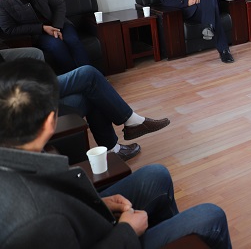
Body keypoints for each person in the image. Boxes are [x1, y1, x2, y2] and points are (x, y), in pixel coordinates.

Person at [0, 59, 231, 248]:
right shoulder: (37, 221)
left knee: (156, 174)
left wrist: (99, 203)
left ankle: (174, 238)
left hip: (86, 221)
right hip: (110, 239)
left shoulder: (16, 160)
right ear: (51, 122)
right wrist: (127, 231)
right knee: (211, 216)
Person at [0, 47, 169, 161]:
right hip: (20, 93)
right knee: (89, 75)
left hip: (20, 86)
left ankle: (114, 148)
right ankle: (131, 124)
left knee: (93, 90)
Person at [0, 0, 90, 73]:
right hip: (37, 33)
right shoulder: (3, 2)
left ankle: (90, 74)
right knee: (57, 45)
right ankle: (74, 78)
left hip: (58, 23)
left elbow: (59, 4)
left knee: (73, 40)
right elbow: (9, 29)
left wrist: (56, 27)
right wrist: (42, 28)